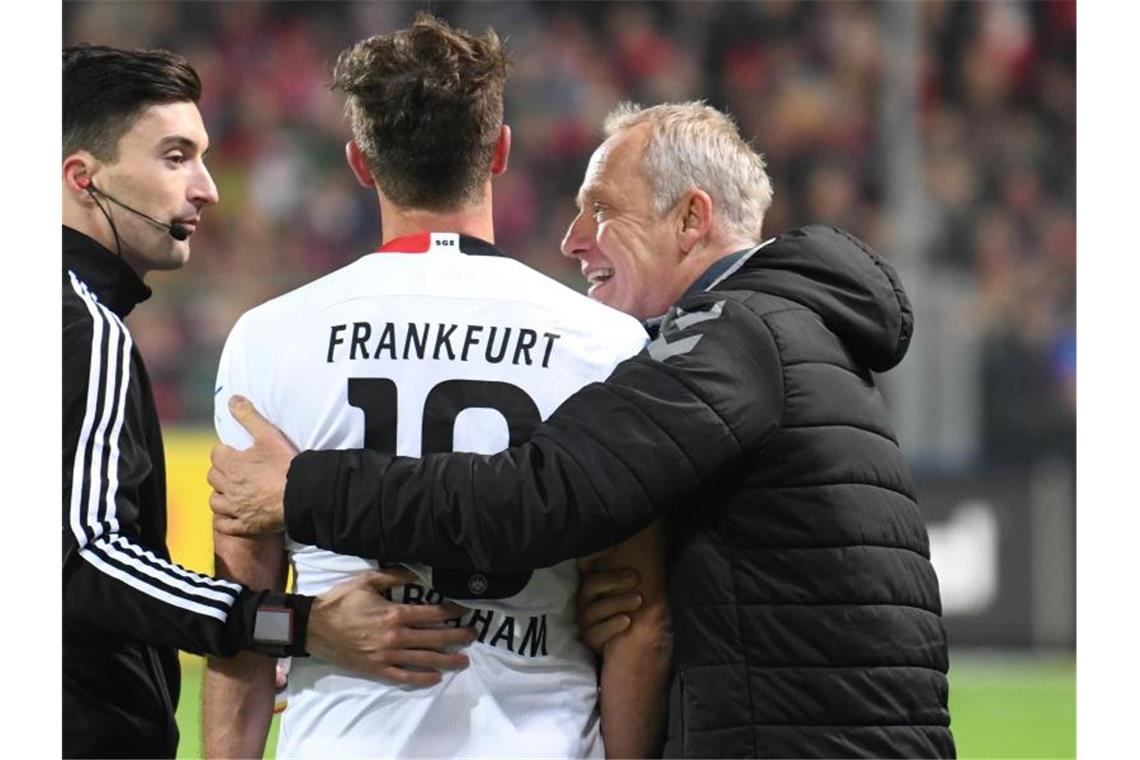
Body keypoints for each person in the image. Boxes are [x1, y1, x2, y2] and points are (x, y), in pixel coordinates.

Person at [211, 100, 956, 758]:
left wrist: (303, 485)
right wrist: (595, 603)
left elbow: (536, 499)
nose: (572, 239)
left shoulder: (732, 341)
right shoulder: (773, 330)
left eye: (601, 209)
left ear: (691, 219)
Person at [203, 16, 671, 760]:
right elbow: (641, 622)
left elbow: (241, 616)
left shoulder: (268, 337)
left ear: (360, 162)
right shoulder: (605, 344)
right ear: (501, 152)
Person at [61, 44, 471, 759]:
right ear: (82, 177)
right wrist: (293, 623)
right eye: (175, 156)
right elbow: (84, 560)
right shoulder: (78, 326)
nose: (207, 188)